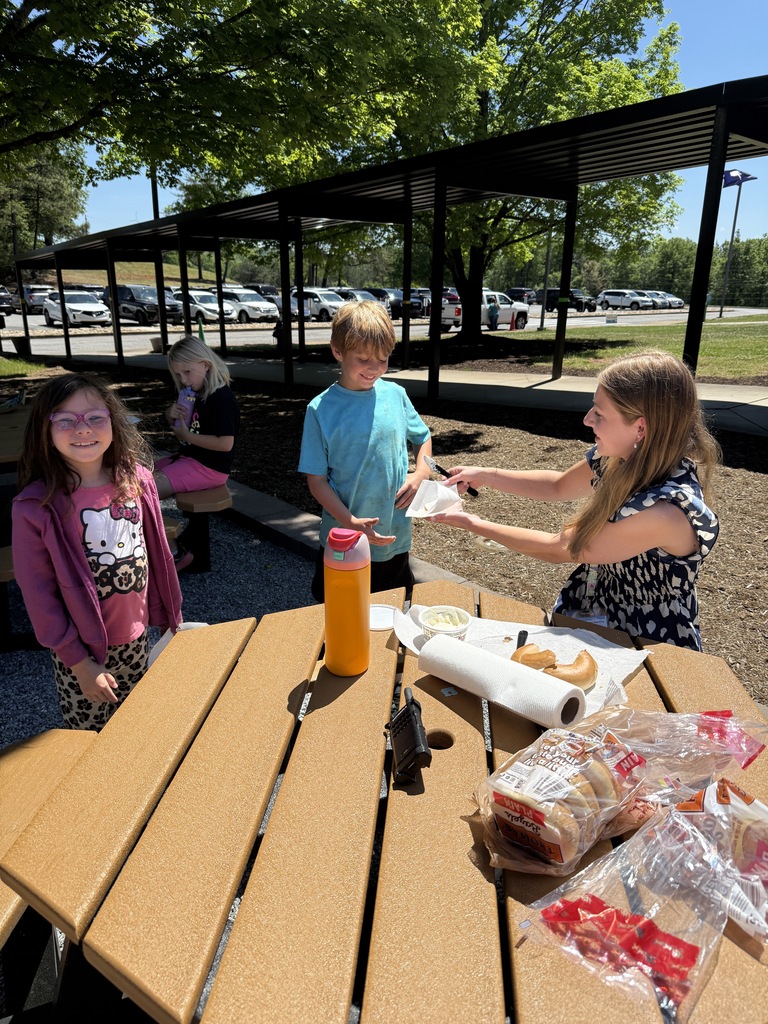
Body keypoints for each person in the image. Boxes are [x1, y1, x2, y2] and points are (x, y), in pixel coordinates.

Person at [428, 351, 720, 651]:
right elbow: (557, 486)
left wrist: (470, 522)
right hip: (597, 610)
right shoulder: (619, 457)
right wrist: (484, 475)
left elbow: (560, 548)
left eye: (600, 414)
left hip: (647, 640)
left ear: (641, 428)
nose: (587, 419)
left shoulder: (666, 511)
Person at [12, 373, 182, 731]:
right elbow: (39, 596)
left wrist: (171, 615)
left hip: (138, 638)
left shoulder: (137, 480)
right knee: (90, 738)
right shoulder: (35, 507)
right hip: (82, 653)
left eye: (94, 416)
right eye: (65, 420)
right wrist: (79, 663)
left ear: (113, 421)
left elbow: (158, 554)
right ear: (45, 430)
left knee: (138, 727)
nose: (83, 428)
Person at [298, 300, 433, 601]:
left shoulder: (396, 395)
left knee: (391, 610)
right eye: (363, 359)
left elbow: (423, 437)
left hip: (393, 538)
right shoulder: (320, 410)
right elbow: (316, 480)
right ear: (338, 351)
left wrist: (421, 473)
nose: (374, 368)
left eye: (383, 359)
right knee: (340, 612)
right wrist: (350, 521)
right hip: (343, 539)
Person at [154, 334, 240, 569]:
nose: (183, 380)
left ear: (205, 365)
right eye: (178, 375)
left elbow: (225, 444)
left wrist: (186, 435)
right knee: (140, 477)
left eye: (187, 372)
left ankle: (175, 551)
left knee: (144, 491)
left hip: (209, 468)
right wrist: (170, 416)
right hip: (190, 459)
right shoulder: (195, 391)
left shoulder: (220, 398)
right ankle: (168, 542)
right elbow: (185, 430)